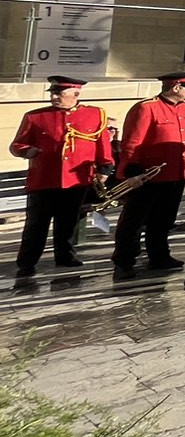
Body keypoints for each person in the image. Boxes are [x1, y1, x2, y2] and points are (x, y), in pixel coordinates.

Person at [12, 75, 113, 282]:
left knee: (68, 222)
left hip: (76, 179)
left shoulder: (95, 115)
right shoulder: (35, 117)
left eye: (59, 93)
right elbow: (16, 145)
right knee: (36, 224)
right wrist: (26, 150)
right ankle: (27, 262)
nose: (54, 97)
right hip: (43, 179)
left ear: (76, 94)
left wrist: (105, 167)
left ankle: (65, 256)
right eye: (53, 93)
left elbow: (102, 144)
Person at [112, 71, 185, 279]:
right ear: (176, 87)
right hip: (147, 176)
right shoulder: (146, 108)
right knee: (134, 221)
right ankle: (124, 261)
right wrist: (131, 171)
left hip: (175, 174)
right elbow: (133, 142)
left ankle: (159, 256)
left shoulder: (184, 108)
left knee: (164, 220)